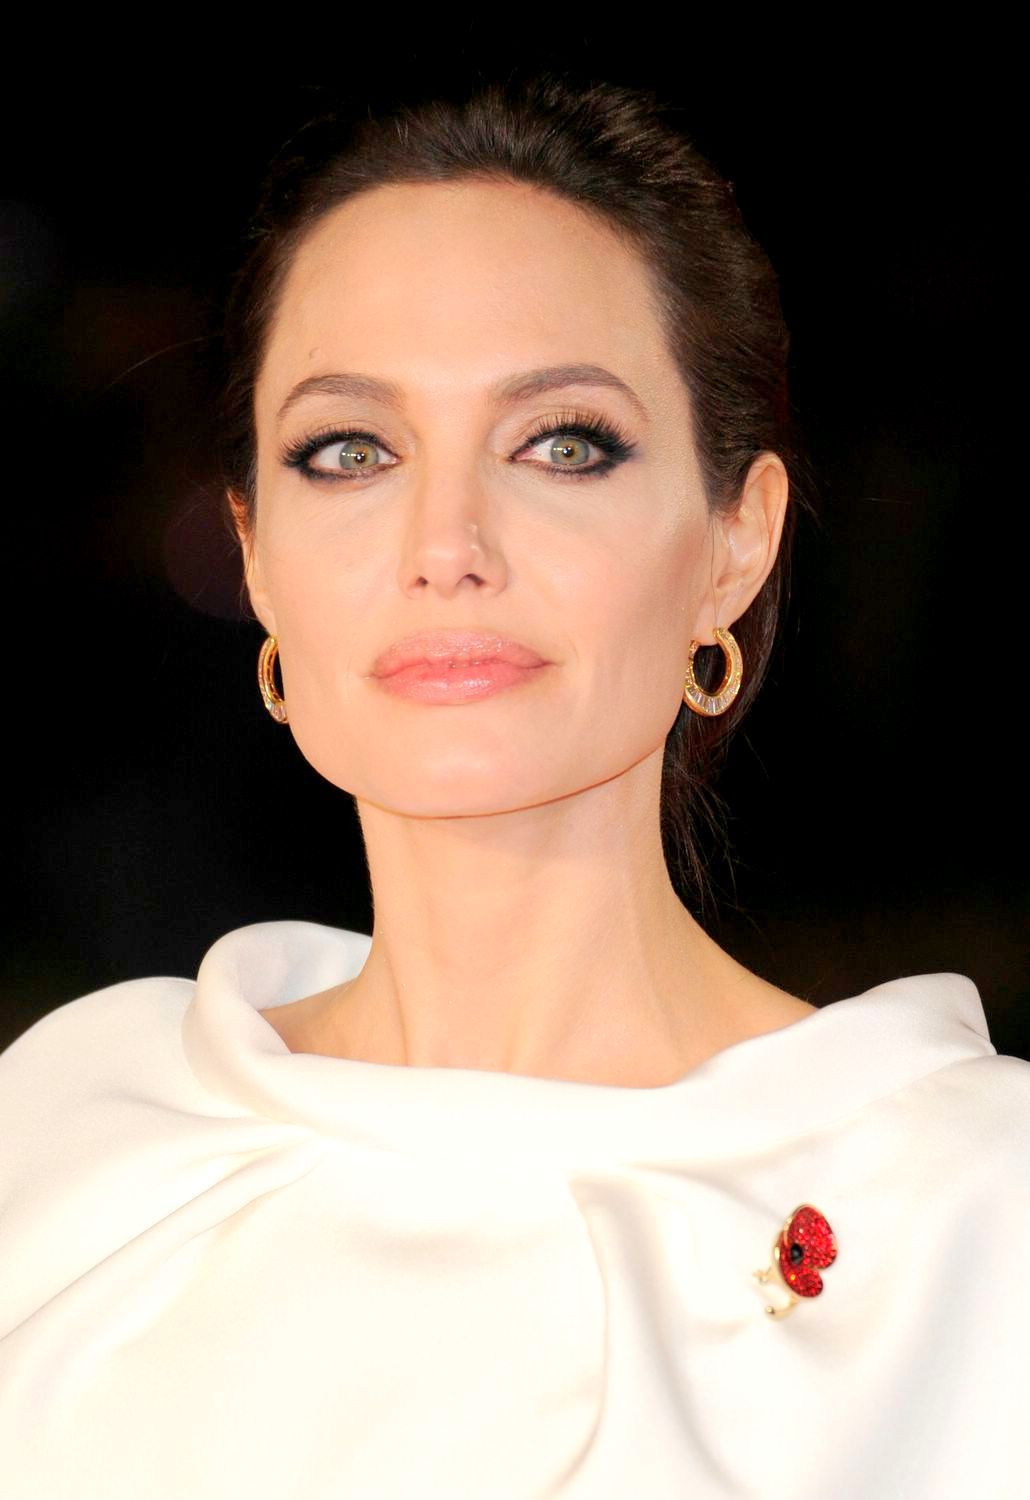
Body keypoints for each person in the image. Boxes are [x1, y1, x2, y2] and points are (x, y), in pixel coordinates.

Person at [1, 72, 1027, 1500]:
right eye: (350, 452)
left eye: (562, 443)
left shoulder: (974, 1212)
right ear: (255, 551)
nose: (446, 546)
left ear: (734, 542)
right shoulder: (66, 1135)